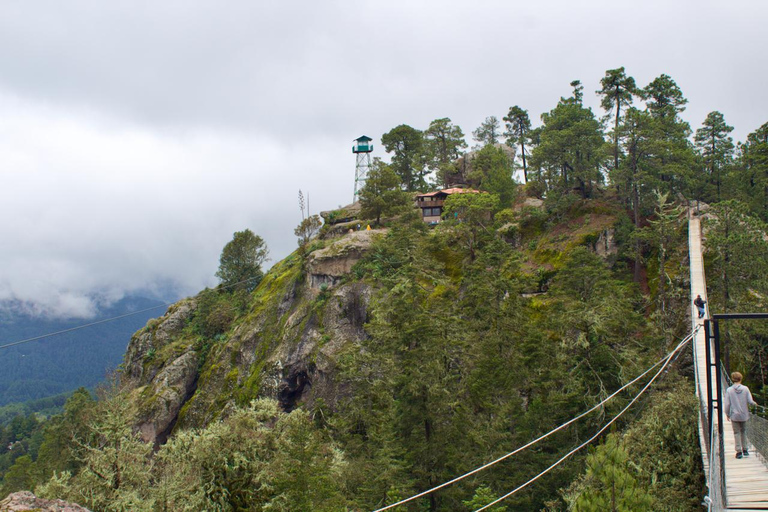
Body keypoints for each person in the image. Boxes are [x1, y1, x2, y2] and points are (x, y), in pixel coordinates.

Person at [724, 371, 759, 459]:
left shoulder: (729, 390)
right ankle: (745, 450)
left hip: (734, 415)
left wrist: (727, 413)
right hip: (744, 414)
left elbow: (727, 404)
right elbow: (750, 401)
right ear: (741, 378)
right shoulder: (745, 389)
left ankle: (739, 452)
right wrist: (755, 405)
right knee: (743, 431)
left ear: (732, 379)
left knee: (736, 433)